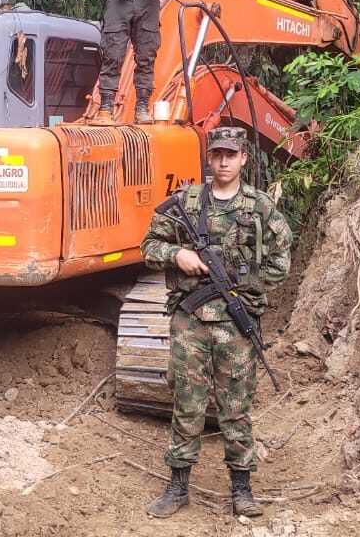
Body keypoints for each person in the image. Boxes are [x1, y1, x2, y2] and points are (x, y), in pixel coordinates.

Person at [139, 127, 293, 518]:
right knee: (186, 403)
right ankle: (177, 488)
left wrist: (245, 288)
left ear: (244, 158)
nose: (224, 161)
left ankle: (242, 489)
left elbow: (281, 259)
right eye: (217, 154)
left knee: (235, 406)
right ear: (210, 158)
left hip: (236, 326)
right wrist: (178, 255)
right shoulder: (186, 203)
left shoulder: (259, 207)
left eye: (232, 154)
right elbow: (148, 246)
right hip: (190, 321)